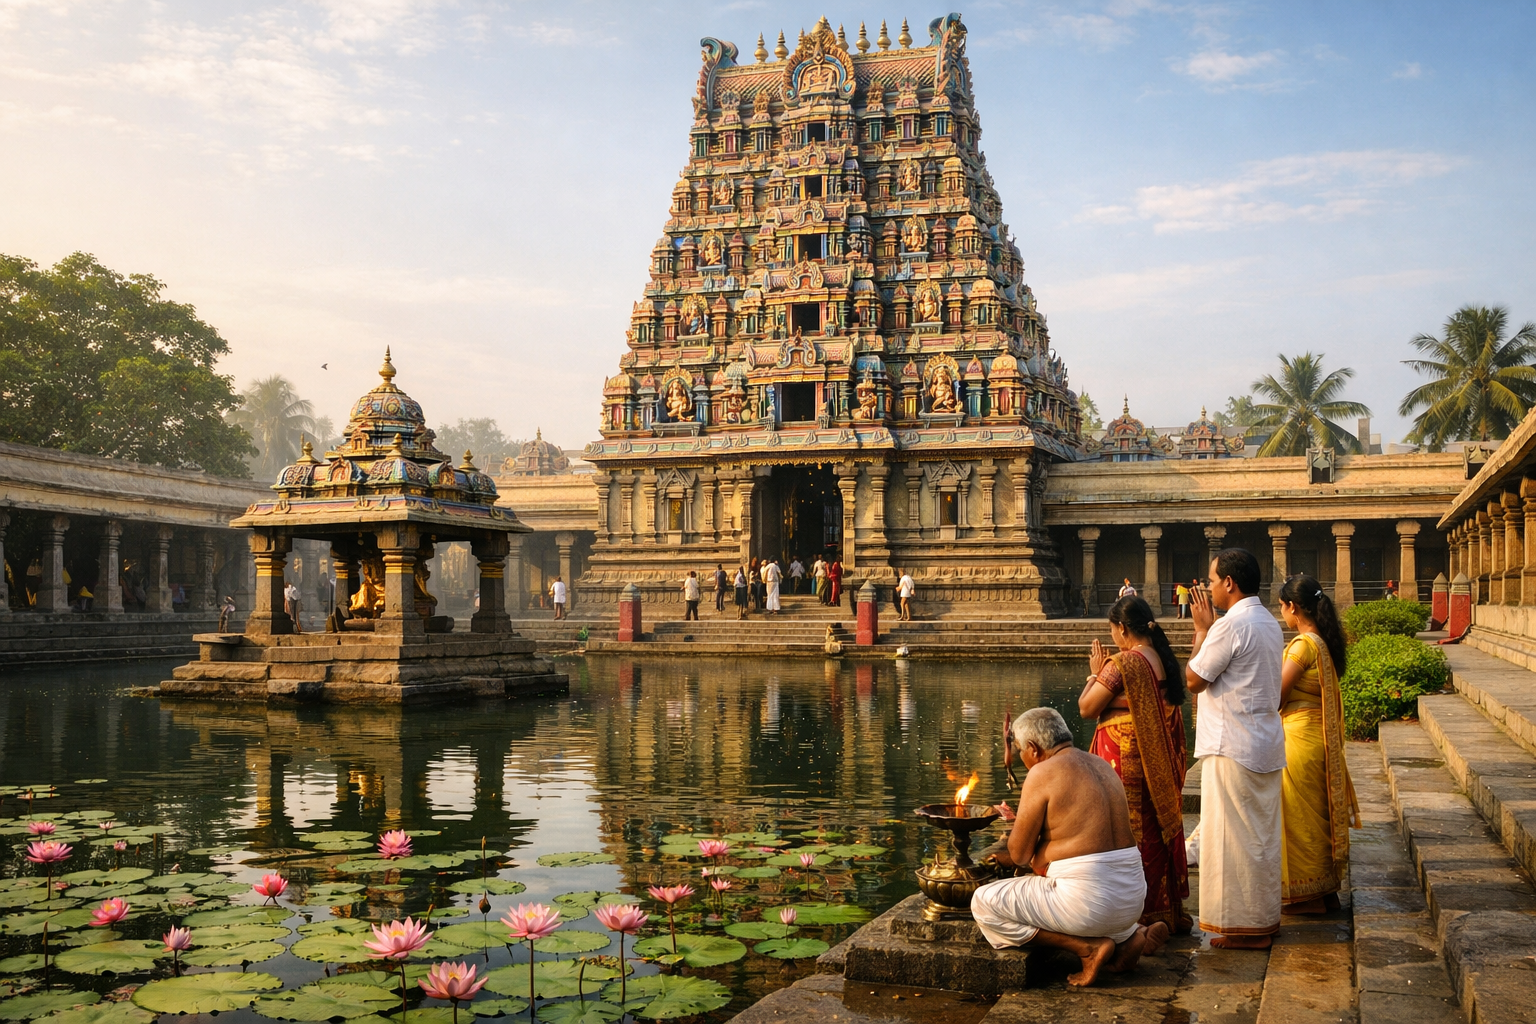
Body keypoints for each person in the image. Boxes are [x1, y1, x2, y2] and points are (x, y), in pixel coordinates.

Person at [972, 708, 1166, 987]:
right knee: (1082, 893)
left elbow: (1019, 854)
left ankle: (1086, 948)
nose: (1021, 759)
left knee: (983, 902)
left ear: (1033, 748)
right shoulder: (1100, 765)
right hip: (1132, 897)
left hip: (1088, 903)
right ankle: (1128, 938)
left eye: (1020, 751)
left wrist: (1011, 831)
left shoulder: (1042, 772)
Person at [1186, 548, 1286, 949]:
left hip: (1232, 745)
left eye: (1212, 580)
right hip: (1262, 742)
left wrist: (1200, 631)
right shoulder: (1270, 622)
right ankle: (1261, 922)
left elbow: (1193, 679)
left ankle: (1245, 930)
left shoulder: (1230, 626)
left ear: (1229, 583)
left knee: (1233, 842)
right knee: (1259, 840)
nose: (1209, 588)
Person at [1079, 596, 1192, 935]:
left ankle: (1137, 914)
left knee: (1130, 832)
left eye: (1113, 630)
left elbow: (1086, 707)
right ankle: (1163, 909)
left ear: (1123, 629)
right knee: (1154, 829)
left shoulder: (1124, 663)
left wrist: (1094, 674)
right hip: (1153, 760)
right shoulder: (1159, 657)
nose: (1113, 637)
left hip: (1126, 758)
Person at [1277, 574, 1360, 914]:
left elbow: (1275, 697)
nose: (1281, 612)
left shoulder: (1302, 645)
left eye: (1281, 607)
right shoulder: (1323, 642)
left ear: (1293, 607)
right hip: (1315, 740)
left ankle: (1306, 897)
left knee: (1299, 818)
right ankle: (1324, 891)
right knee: (1314, 816)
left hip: (1299, 740)